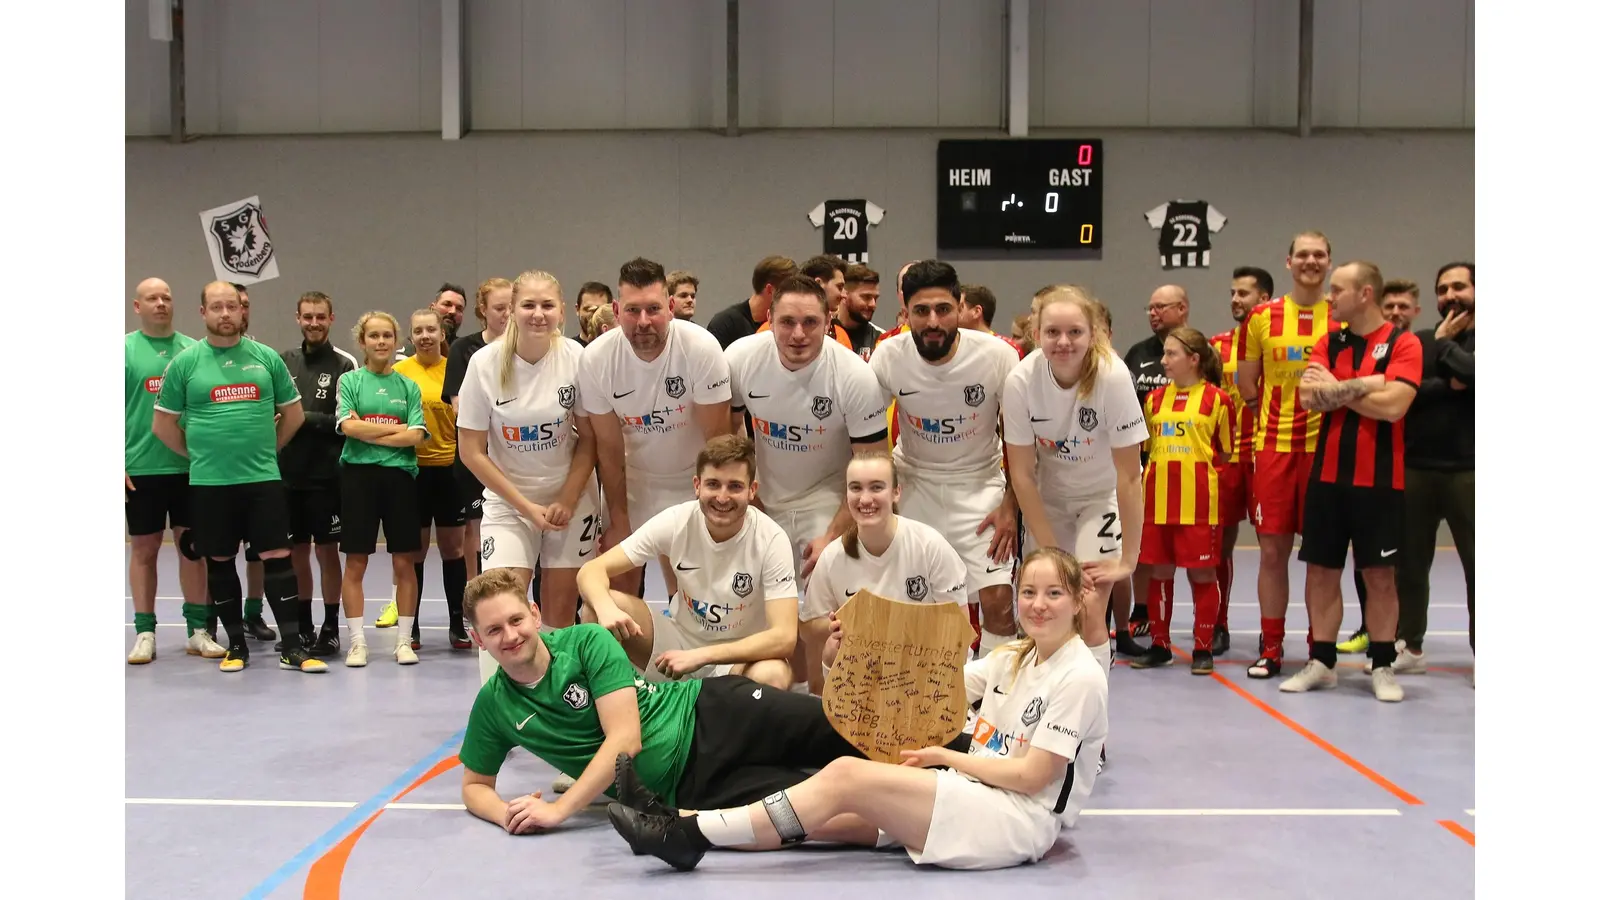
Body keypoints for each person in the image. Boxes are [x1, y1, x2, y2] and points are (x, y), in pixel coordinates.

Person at [608, 546, 1109, 873]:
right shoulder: (1011, 658)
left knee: (846, 775)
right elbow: (913, 684)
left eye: (1053, 594)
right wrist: (846, 653)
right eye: (1028, 592)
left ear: (1076, 602)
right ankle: (677, 820)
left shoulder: (1080, 676)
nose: (1038, 604)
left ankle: (684, 836)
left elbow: (1030, 778)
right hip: (977, 792)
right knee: (828, 813)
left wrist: (946, 757)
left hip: (1017, 818)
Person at [458, 565, 874, 835]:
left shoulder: (586, 641)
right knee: (832, 813)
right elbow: (475, 785)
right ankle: (927, 813)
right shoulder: (494, 705)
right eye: (494, 631)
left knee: (852, 728)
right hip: (693, 789)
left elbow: (625, 741)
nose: (510, 636)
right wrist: (505, 813)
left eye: (516, 620)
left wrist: (558, 810)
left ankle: (942, 753)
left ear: (534, 614)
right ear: (477, 639)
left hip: (715, 713)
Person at [724, 276, 889, 691]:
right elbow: (730, 438)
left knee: (823, 615)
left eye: (811, 322)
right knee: (764, 615)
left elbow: (873, 464)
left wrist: (836, 532)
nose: (798, 334)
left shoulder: (854, 375)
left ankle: (824, 705)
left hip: (827, 499)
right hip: (766, 500)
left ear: (830, 319)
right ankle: (784, 704)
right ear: (769, 319)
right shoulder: (742, 358)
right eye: (787, 322)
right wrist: (748, 498)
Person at [153, 281, 317, 673]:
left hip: (262, 480)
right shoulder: (185, 363)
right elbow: (163, 426)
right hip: (210, 484)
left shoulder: (265, 358)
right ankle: (236, 646)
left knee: (278, 557)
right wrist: (201, 456)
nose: (225, 314)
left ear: (243, 311)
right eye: (216, 307)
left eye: (232, 307)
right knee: (220, 560)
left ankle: (292, 647)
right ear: (203, 313)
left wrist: (267, 450)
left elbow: (293, 416)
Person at [1284, 262, 1422, 702]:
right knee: (1321, 571)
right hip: (1327, 476)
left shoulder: (1405, 342)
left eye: (1337, 289)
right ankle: (1322, 662)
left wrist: (1340, 388)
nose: (1329, 297)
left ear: (1364, 294)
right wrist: (1369, 383)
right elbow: (1309, 397)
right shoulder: (1330, 341)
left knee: (1379, 576)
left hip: (1380, 480)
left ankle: (1382, 664)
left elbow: (1395, 407)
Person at [870, 260, 1021, 658]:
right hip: (915, 486)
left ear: (961, 306)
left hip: (981, 486)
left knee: (997, 603)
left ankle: (989, 707)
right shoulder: (888, 357)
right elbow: (866, 438)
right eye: (921, 311)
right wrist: (884, 496)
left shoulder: (999, 356)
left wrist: (1011, 505)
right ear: (905, 312)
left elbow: (1023, 441)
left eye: (943, 309)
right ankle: (924, 703)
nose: (933, 321)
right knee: (915, 603)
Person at [1002, 284, 1146, 686]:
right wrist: (1051, 550)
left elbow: (1130, 476)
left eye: (1075, 332)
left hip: (1099, 500)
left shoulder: (1112, 376)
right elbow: (1022, 475)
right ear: (1036, 332)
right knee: (1042, 607)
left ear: (1093, 333)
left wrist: (1129, 560)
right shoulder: (1020, 381)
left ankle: (1091, 731)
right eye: (1052, 333)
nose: (1064, 343)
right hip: (1047, 503)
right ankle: (1038, 710)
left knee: (1088, 603)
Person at [575, 435, 799, 687]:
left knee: (774, 675)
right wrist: (606, 608)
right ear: (697, 486)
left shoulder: (770, 539)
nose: (722, 497)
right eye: (713, 484)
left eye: (734, 486)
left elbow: (785, 637)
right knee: (595, 606)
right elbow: (591, 570)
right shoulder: (676, 521)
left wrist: (702, 656)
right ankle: (614, 711)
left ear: (752, 491)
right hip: (678, 643)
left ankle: (730, 720)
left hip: (737, 658)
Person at [577, 258, 732, 599]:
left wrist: (713, 503)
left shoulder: (701, 348)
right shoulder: (597, 359)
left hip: (690, 482)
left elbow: (718, 445)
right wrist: (618, 519)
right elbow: (609, 447)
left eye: (653, 309)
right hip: (633, 483)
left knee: (691, 591)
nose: (643, 321)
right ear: (616, 311)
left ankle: (692, 652)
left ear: (671, 307)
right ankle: (624, 654)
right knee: (618, 586)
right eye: (632, 310)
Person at [456, 270, 599, 639]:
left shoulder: (576, 358)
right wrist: (525, 507)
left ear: (562, 311)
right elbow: (471, 451)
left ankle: (555, 694)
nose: (538, 314)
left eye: (547, 305)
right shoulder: (484, 364)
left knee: (559, 619)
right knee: (503, 611)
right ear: (512, 311)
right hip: (509, 504)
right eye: (528, 305)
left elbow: (589, 440)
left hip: (569, 500)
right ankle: (503, 695)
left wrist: (567, 499)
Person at [1235, 231, 1338, 679]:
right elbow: (1246, 385)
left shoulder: (1344, 316)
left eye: (1319, 255)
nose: (1310, 261)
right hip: (1274, 449)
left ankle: (1320, 651)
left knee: (1320, 557)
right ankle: (1271, 647)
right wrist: (1275, 416)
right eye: (1303, 255)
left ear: (1329, 262)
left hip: (1326, 449)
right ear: (1289, 262)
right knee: (1272, 553)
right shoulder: (1261, 317)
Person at [125, 277, 219, 663]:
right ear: (137, 306)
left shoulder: (193, 350)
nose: (161, 303)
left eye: (166, 297)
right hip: (140, 469)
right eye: (152, 298)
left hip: (188, 468)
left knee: (191, 549)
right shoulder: (123, 351)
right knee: (144, 549)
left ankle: (198, 631)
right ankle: (145, 632)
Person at [1131, 328, 1234, 674]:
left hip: (1199, 503)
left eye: (1171, 354)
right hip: (1157, 499)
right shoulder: (1154, 400)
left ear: (1194, 359)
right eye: (1164, 354)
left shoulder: (1219, 400)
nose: (1163, 361)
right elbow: (1147, 451)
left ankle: (1203, 647)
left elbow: (1225, 452)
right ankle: (1160, 644)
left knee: (1203, 574)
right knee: (1160, 572)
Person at [334, 311, 429, 667]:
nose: (381, 342)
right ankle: (357, 643)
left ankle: (403, 642)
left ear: (395, 340)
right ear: (363, 342)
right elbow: (348, 427)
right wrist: (395, 433)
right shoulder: (351, 382)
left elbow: (416, 435)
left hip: (401, 480)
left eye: (387, 336)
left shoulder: (407, 386)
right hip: (359, 479)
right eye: (373, 336)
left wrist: (368, 428)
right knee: (355, 561)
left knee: (405, 562)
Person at [1394, 261, 1475, 677]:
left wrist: (1446, 349)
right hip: (1418, 469)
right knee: (1410, 564)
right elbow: (1405, 393)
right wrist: (1451, 383)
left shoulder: (1439, 342)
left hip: (1470, 471)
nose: (1450, 296)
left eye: (1459, 287)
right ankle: (1409, 646)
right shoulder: (1420, 341)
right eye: (1443, 289)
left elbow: (1475, 373)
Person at [276, 291, 358, 657]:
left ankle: (330, 627)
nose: (313, 322)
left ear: (331, 318)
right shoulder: (282, 362)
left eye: (320, 317)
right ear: (298, 318)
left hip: (327, 477)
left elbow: (345, 421)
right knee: (296, 553)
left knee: (327, 553)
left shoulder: (344, 365)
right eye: (307, 316)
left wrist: (304, 419)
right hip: (288, 475)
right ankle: (303, 626)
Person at [800, 451, 967, 627]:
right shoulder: (831, 557)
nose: (864, 499)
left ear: (896, 492)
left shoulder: (930, 547)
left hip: (927, 653)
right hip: (862, 654)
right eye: (855, 488)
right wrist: (835, 629)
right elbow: (809, 628)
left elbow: (959, 628)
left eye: (876, 487)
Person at [1209, 266, 1276, 656]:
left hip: (1269, 452)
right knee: (1221, 546)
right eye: (1233, 293)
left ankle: (1273, 631)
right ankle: (1219, 623)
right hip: (1230, 457)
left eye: (1244, 294)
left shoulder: (1279, 345)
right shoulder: (1218, 346)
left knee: (1272, 548)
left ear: (1264, 299)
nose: (1235, 300)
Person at [396, 308, 472, 651]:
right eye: (418, 331)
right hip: (413, 472)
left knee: (454, 549)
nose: (425, 336)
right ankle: (410, 626)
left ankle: (457, 622)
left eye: (431, 329)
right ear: (410, 337)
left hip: (450, 471)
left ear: (442, 334)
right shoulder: (400, 372)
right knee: (415, 550)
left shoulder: (455, 370)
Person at [441, 278, 514, 584]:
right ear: (483, 310)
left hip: (515, 455)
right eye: (499, 308)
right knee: (478, 525)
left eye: (512, 306)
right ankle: (477, 592)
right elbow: (460, 406)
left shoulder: (526, 348)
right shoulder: (464, 349)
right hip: (477, 456)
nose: (507, 314)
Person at [705, 256, 800, 350]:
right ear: (770, 290)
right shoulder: (724, 324)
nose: (794, 298)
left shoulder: (787, 326)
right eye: (788, 292)